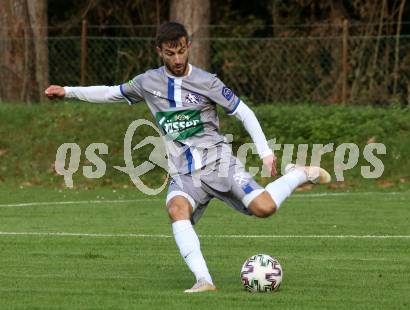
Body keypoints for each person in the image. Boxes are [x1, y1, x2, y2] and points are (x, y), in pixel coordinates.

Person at [45, 22, 331, 293]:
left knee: (264, 208)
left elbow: (244, 112)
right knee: (176, 209)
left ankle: (298, 173)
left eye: (182, 50)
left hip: (220, 164)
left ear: (188, 46)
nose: (178, 58)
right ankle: (204, 280)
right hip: (185, 174)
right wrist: (68, 91)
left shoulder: (207, 82)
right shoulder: (148, 82)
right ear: (159, 51)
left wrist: (265, 152)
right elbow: (111, 93)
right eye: (170, 53)